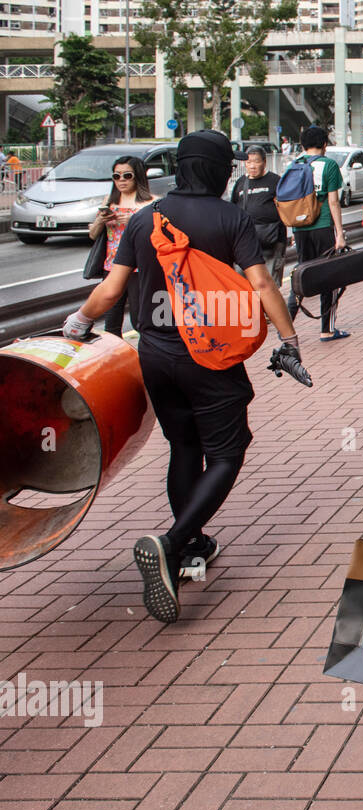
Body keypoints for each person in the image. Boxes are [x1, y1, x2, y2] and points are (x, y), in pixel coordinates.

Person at [61, 130, 304, 625]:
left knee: (184, 447)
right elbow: (261, 283)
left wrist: (79, 322)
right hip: (209, 355)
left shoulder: (145, 218)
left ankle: (193, 542)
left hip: (155, 354)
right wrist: (289, 339)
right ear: (217, 170)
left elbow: (111, 290)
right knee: (229, 451)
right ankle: (171, 544)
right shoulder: (229, 217)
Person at [285, 125, 349, 340]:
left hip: (301, 228)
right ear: (324, 144)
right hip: (322, 226)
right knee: (329, 276)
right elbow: (333, 201)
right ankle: (327, 329)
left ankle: (286, 326)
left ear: (302, 145)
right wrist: (339, 233)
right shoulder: (329, 165)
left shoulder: (294, 165)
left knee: (301, 274)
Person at [88, 155, 152, 336]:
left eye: (127, 176)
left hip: (138, 268)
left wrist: (135, 220)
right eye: (116, 176)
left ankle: (145, 357)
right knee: (111, 318)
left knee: (139, 318)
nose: (121, 180)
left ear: (138, 176)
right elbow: (93, 235)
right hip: (112, 266)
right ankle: (115, 358)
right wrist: (101, 220)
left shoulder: (149, 202)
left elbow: (158, 236)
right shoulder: (110, 200)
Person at [230, 147, 287, 286]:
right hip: (247, 241)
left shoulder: (276, 181)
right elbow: (233, 209)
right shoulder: (241, 183)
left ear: (264, 162)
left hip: (273, 239)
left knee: (271, 283)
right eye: (248, 162)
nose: (252, 166)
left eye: (256, 162)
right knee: (243, 282)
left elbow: (286, 208)